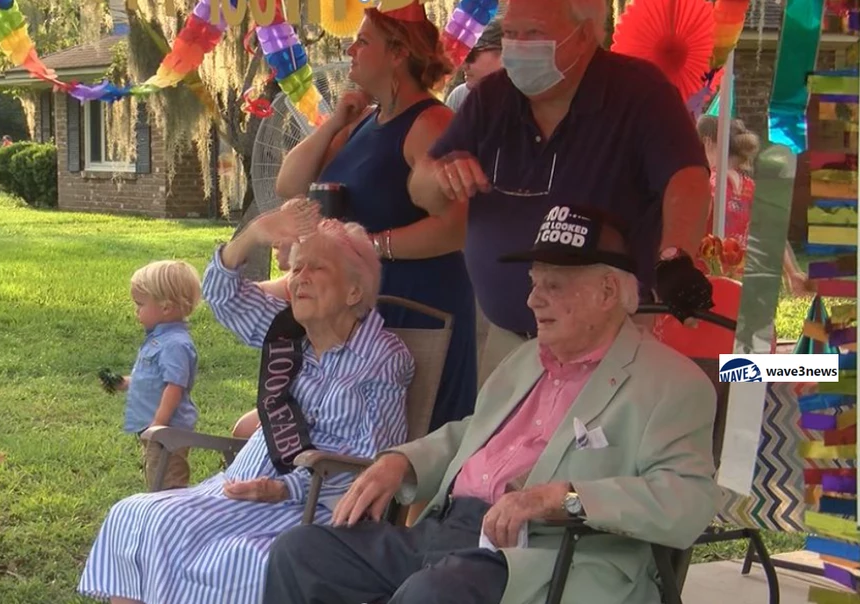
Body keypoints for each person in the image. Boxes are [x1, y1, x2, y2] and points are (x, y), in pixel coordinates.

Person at [264, 206, 719, 604]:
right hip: (445, 534)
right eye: (534, 283)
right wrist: (402, 462)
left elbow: (687, 503)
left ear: (605, 292)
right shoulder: (526, 359)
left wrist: (566, 498)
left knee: (432, 595)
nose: (532, 299)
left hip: (544, 556)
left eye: (554, 286)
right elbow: (472, 432)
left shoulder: (670, 384)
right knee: (300, 553)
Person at [77, 204, 414, 604]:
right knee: (135, 516)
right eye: (297, 269)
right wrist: (254, 234)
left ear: (354, 291)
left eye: (316, 269)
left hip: (306, 510)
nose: (299, 279)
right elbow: (221, 295)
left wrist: (283, 488)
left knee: (239, 560)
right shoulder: (290, 333)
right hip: (235, 493)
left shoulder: (382, 357)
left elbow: (371, 464)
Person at [406, 0, 714, 385]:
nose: (516, 46)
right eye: (511, 35)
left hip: (607, 344)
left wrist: (676, 258)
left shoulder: (641, 92)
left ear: (583, 33)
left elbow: (686, 179)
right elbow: (420, 189)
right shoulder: (491, 98)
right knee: (499, 445)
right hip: (507, 343)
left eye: (533, 34)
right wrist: (439, 176)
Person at [272, 0, 477, 432]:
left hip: (417, 304)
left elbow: (456, 227)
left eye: (363, 42)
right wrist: (334, 123)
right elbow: (288, 183)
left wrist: (370, 247)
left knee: (412, 436)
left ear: (398, 53)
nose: (350, 52)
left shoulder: (432, 122)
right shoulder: (363, 121)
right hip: (364, 308)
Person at [100, 260, 202, 490]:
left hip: (169, 431)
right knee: (155, 477)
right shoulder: (161, 340)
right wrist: (124, 382)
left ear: (166, 308)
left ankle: (171, 520)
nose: (136, 311)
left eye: (140, 304)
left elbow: (174, 387)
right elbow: (154, 379)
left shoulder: (175, 345)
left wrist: (158, 425)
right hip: (157, 429)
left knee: (167, 485)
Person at [696, 115, 811, 295]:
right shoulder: (750, 186)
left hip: (707, 280)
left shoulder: (708, 183)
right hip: (744, 281)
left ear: (707, 141)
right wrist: (792, 272)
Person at [444, 17, 503, 112]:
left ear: (503, 53)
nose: (463, 65)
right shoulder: (461, 96)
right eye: (462, 56)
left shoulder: (528, 102)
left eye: (470, 55)